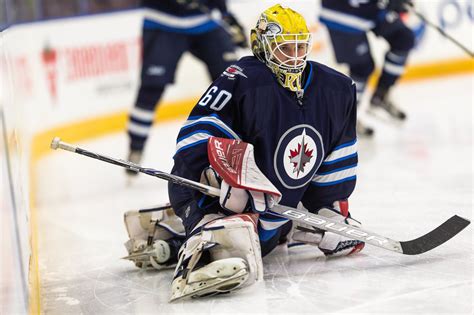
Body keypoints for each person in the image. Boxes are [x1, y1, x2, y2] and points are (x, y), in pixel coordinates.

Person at [123, 4, 364, 301]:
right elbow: (193, 142)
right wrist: (208, 193)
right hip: (232, 201)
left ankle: (289, 227)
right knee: (237, 237)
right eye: (285, 48)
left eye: (300, 47)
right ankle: (183, 236)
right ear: (262, 47)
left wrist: (327, 209)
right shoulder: (242, 80)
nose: (295, 57)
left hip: (275, 207)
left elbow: (335, 155)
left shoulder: (335, 88)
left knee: (263, 242)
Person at [126, 0, 247, 175]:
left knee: (235, 83)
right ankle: (135, 149)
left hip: (204, 20)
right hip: (162, 22)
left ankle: (247, 146)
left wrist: (225, 14)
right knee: (151, 89)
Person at [319, 0, 415, 137]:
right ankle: (346, 118)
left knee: (403, 38)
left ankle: (380, 96)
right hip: (342, 11)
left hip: (369, 7)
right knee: (362, 67)